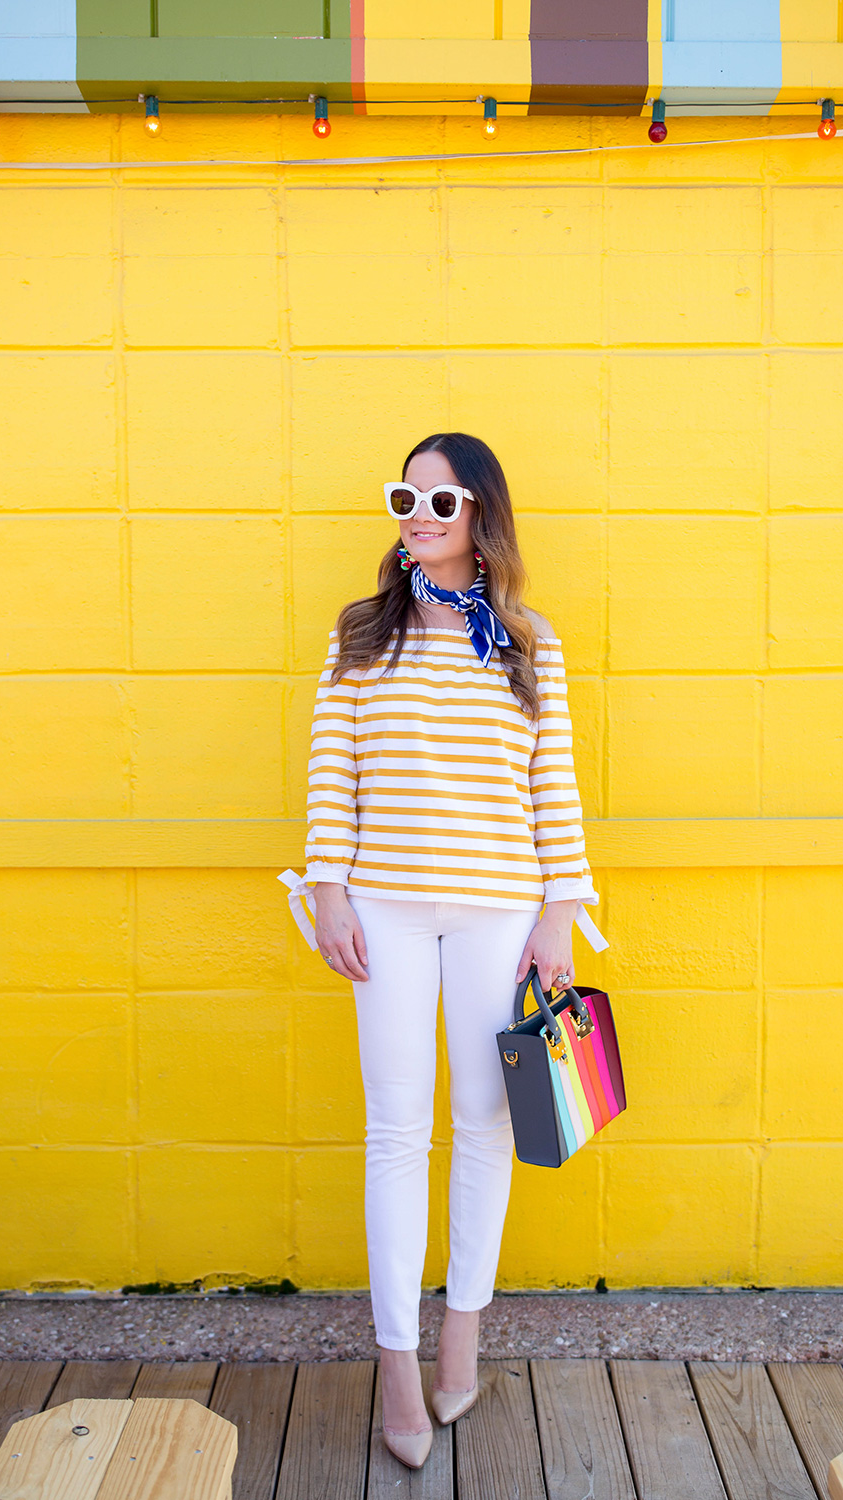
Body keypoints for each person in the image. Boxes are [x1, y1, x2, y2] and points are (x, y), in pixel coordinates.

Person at [280, 431, 606, 1469]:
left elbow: (552, 787)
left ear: (481, 516)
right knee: (394, 1127)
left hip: (498, 910)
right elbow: (332, 775)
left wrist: (560, 913)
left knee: (482, 1123)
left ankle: (463, 1327)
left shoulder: (526, 641)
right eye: (403, 497)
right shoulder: (361, 635)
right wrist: (326, 890)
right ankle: (396, 1365)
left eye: (441, 500)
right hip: (383, 910)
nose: (417, 515)